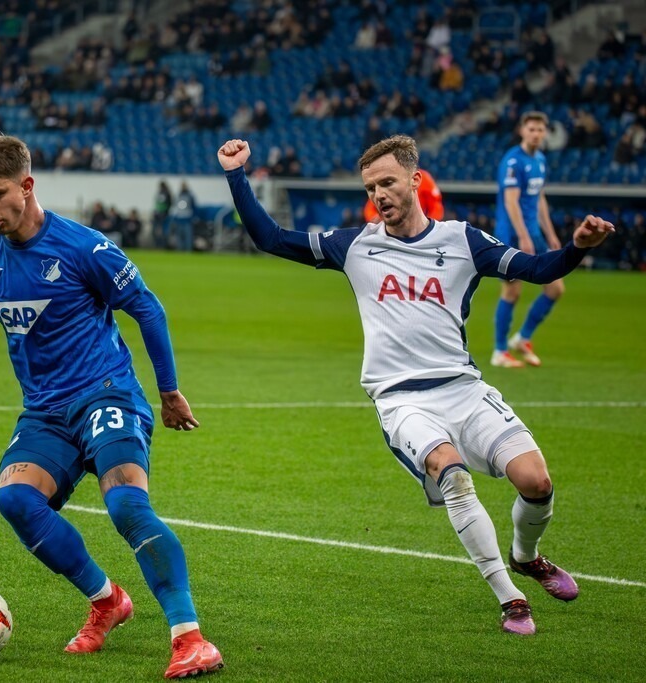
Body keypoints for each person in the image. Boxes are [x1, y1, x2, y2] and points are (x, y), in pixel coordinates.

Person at [218, 135, 614, 635]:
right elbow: (271, 238)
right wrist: (237, 174)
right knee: (451, 474)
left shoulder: (462, 240)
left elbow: (535, 269)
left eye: (387, 182)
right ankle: (510, 598)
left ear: (415, 180)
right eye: (370, 187)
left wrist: (577, 248)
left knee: (537, 483)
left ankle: (526, 557)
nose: (379, 194)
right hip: (402, 399)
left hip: (464, 389)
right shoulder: (355, 245)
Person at [0, 135, 223, 679]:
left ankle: (190, 638)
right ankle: (107, 600)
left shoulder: (84, 248)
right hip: (44, 412)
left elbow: (148, 309)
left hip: (106, 392)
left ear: (28, 185)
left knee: (125, 507)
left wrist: (168, 391)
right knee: (15, 499)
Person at [492, 111, 563, 368]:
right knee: (512, 290)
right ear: (522, 130)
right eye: (531, 129)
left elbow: (539, 198)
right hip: (512, 234)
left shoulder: (540, 160)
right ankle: (500, 351)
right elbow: (511, 202)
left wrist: (550, 233)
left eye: (540, 130)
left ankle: (522, 337)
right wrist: (522, 235)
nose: (536, 134)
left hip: (533, 233)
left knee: (555, 288)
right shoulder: (512, 162)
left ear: (545, 133)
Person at [364, 167, 443, 223]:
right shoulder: (382, 180)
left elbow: (436, 207)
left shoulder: (424, 178)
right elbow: (370, 209)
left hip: (416, 226)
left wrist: (427, 226)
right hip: (389, 228)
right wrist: (377, 222)